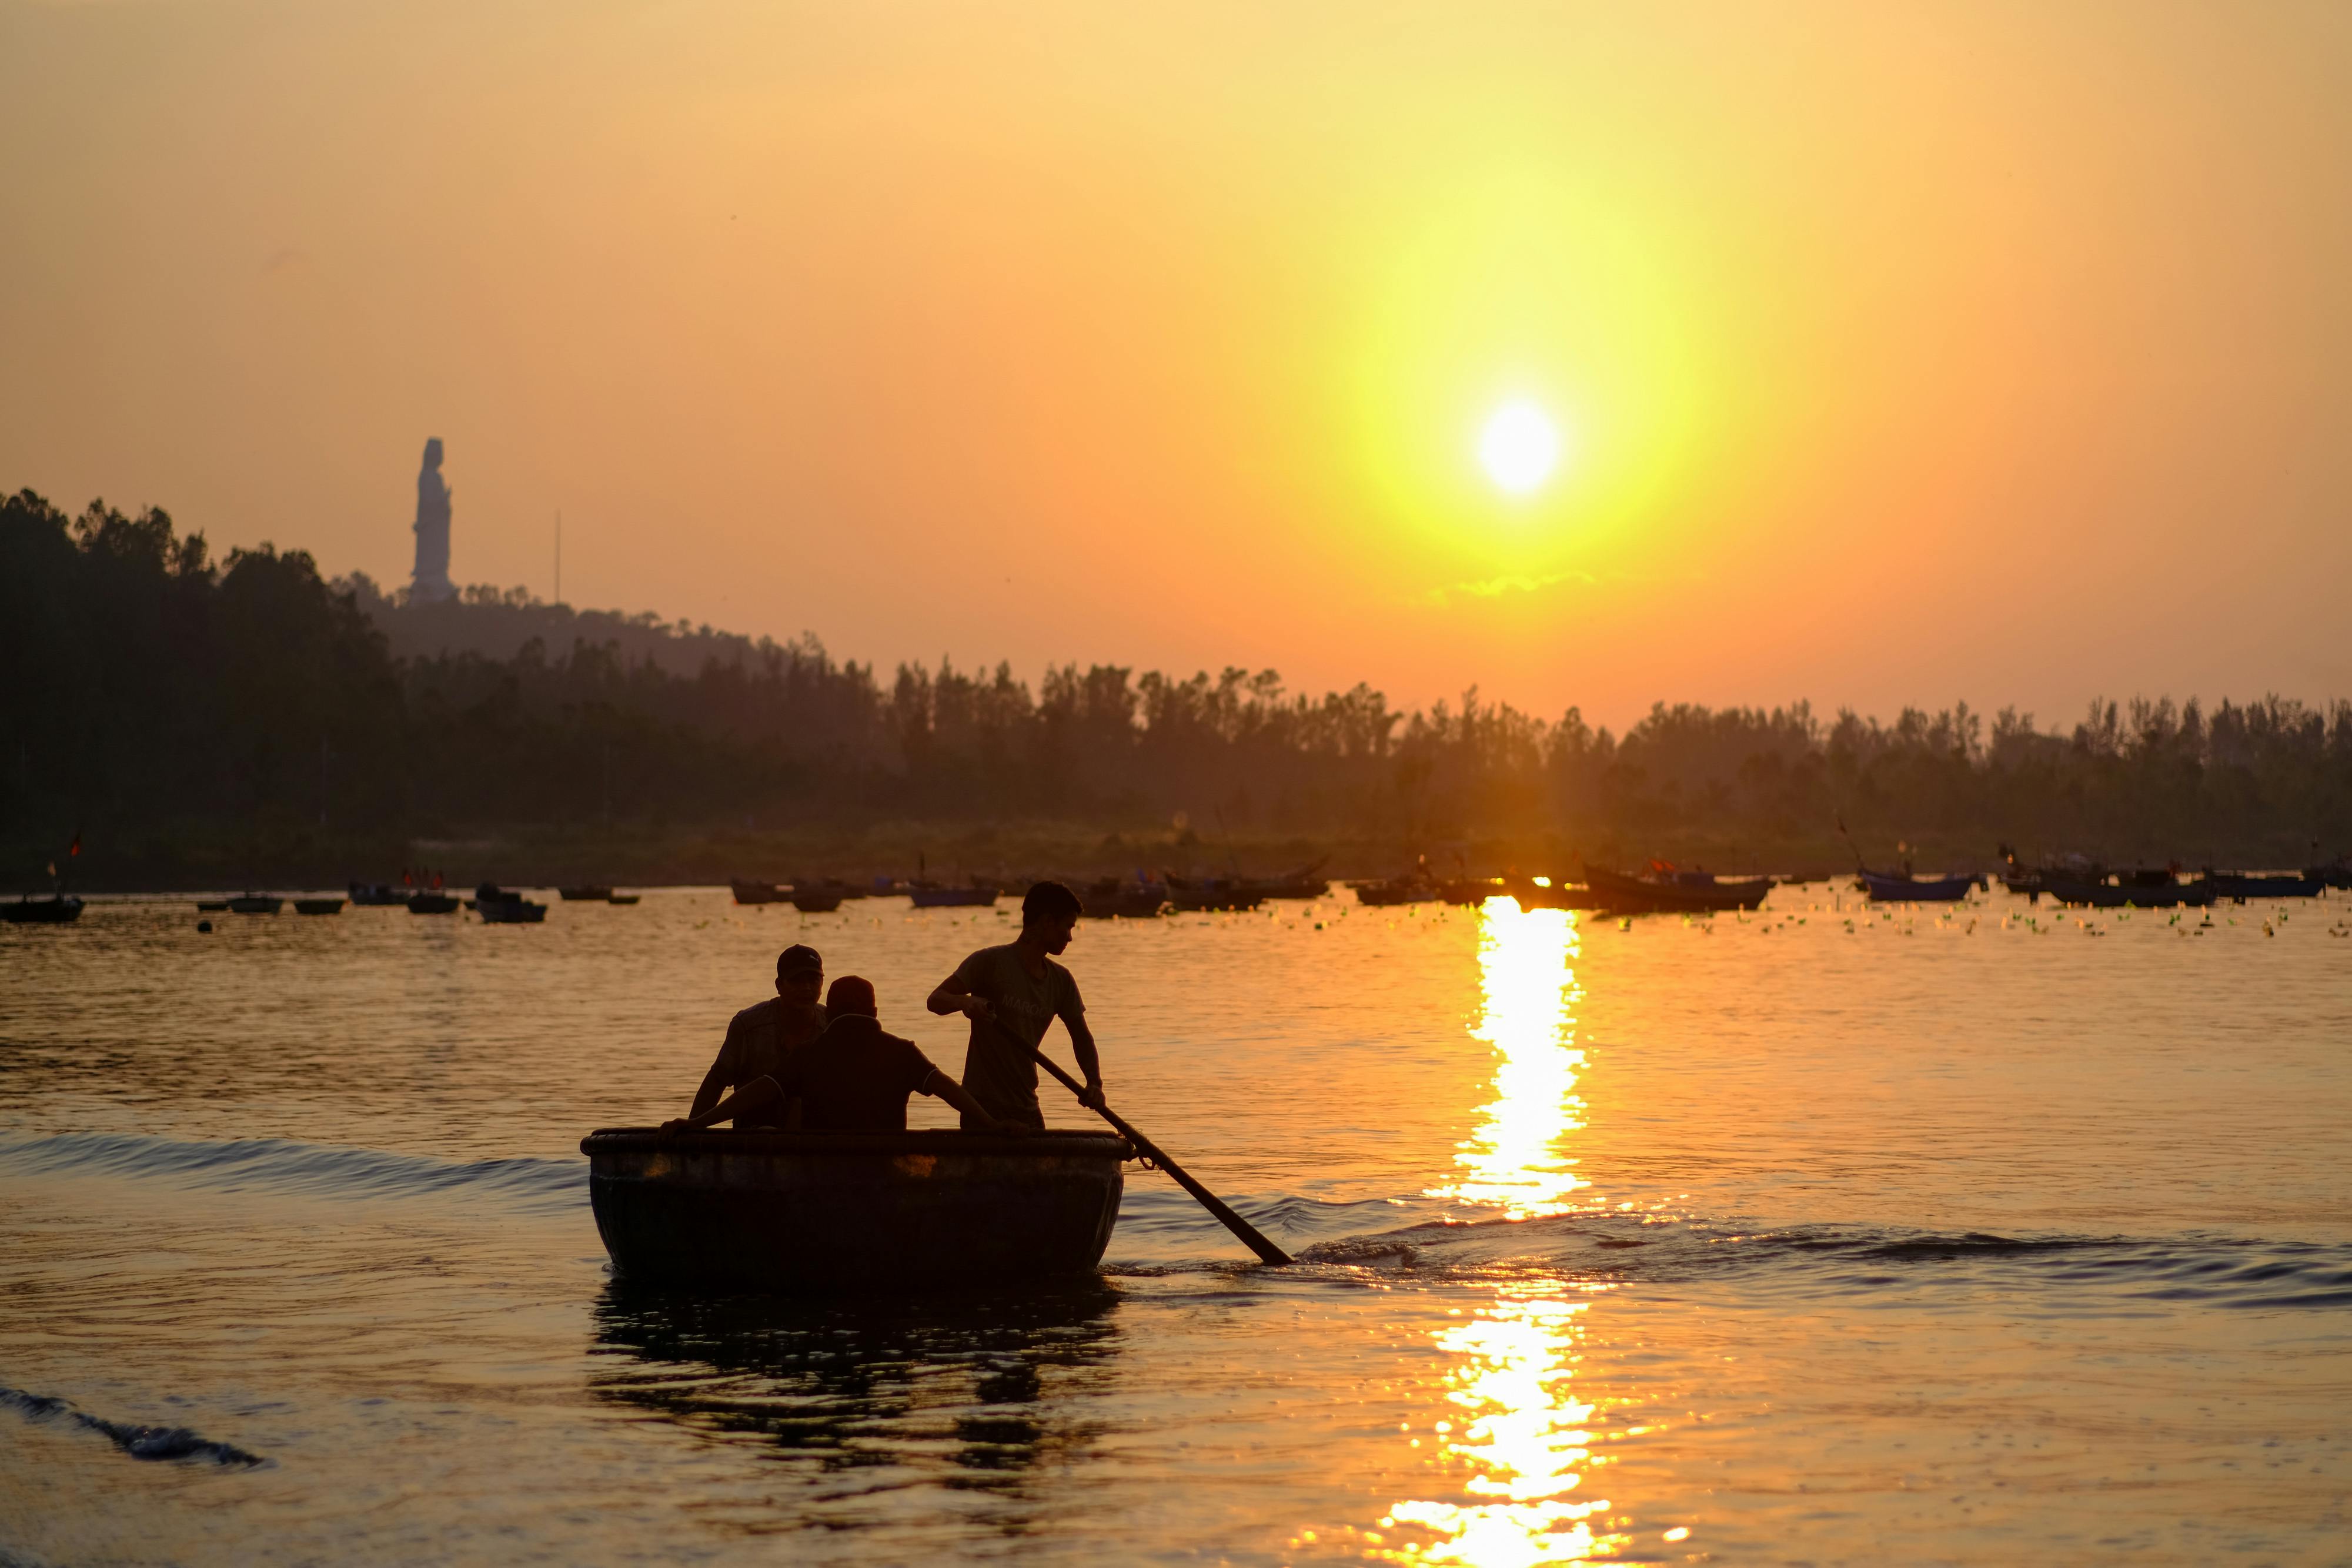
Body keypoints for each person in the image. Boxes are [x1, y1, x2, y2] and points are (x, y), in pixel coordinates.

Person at [660, 976, 1011, 1135]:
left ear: (830, 1010)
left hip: (820, 1176)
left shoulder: (807, 1055)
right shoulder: (902, 1052)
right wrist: (991, 1124)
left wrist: (697, 1124)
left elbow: (756, 1092)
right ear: (875, 1011)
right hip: (884, 1176)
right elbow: (949, 1088)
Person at [926, 880, 1102, 1132]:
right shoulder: (989, 962)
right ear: (1046, 922)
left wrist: (1094, 1084)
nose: (1070, 938)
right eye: (1067, 927)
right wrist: (965, 1002)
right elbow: (935, 1000)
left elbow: (1082, 1037)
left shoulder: (1062, 981)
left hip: (1027, 1106)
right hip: (981, 1107)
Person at [686, 944, 827, 1128]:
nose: (807, 989)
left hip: (812, 1136)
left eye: (813, 980)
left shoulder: (831, 1023)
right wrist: (691, 1129)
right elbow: (717, 1080)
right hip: (752, 1134)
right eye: (797, 981)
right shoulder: (748, 1025)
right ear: (779, 985)